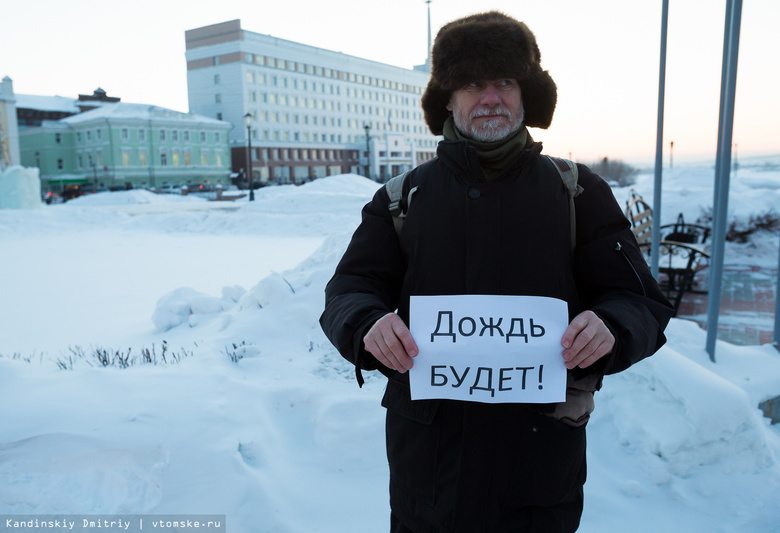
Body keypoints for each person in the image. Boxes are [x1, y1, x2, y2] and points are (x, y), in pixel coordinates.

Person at [320, 11, 674, 533]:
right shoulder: (401, 200)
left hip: (538, 468)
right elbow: (348, 290)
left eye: (504, 81)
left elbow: (640, 301)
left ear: (525, 94)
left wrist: (612, 326)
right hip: (429, 470)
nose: (490, 97)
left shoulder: (578, 192)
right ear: (447, 99)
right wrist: (366, 323)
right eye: (472, 83)